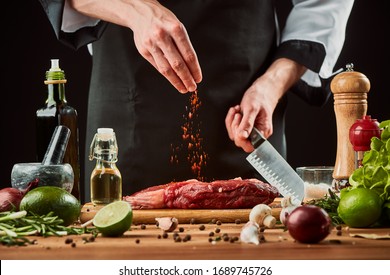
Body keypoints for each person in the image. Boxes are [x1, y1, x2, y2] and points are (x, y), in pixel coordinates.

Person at [38, 0, 354, 202]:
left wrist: (271, 85)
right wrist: (136, 10)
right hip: (127, 104)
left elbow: (325, 5)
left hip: (245, 107)